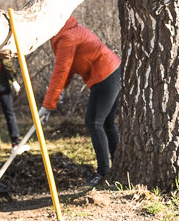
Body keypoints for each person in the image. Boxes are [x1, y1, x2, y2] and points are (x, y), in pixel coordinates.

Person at [38, 15, 121, 187]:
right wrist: (60, 91)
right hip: (113, 72)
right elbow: (67, 70)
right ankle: (119, 168)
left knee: (93, 122)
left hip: (105, 75)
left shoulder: (66, 37)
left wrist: (47, 105)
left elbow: (61, 70)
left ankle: (103, 172)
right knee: (106, 124)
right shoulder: (68, 31)